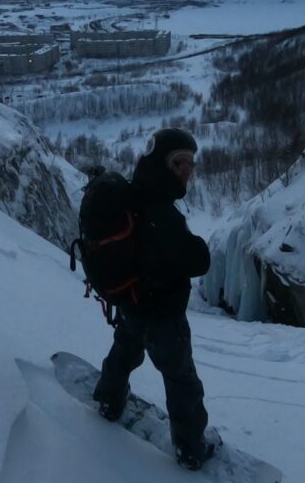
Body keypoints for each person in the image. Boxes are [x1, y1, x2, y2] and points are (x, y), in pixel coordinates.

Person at [91, 127, 214, 470]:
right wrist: (196, 245)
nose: (187, 169)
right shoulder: (163, 214)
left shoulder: (132, 198)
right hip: (164, 316)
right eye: (178, 162)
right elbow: (197, 260)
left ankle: (107, 400)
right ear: (159, 164)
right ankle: (190, 448)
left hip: (131, 304)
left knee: (124, 353)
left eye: (190, 162)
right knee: (180, 379)